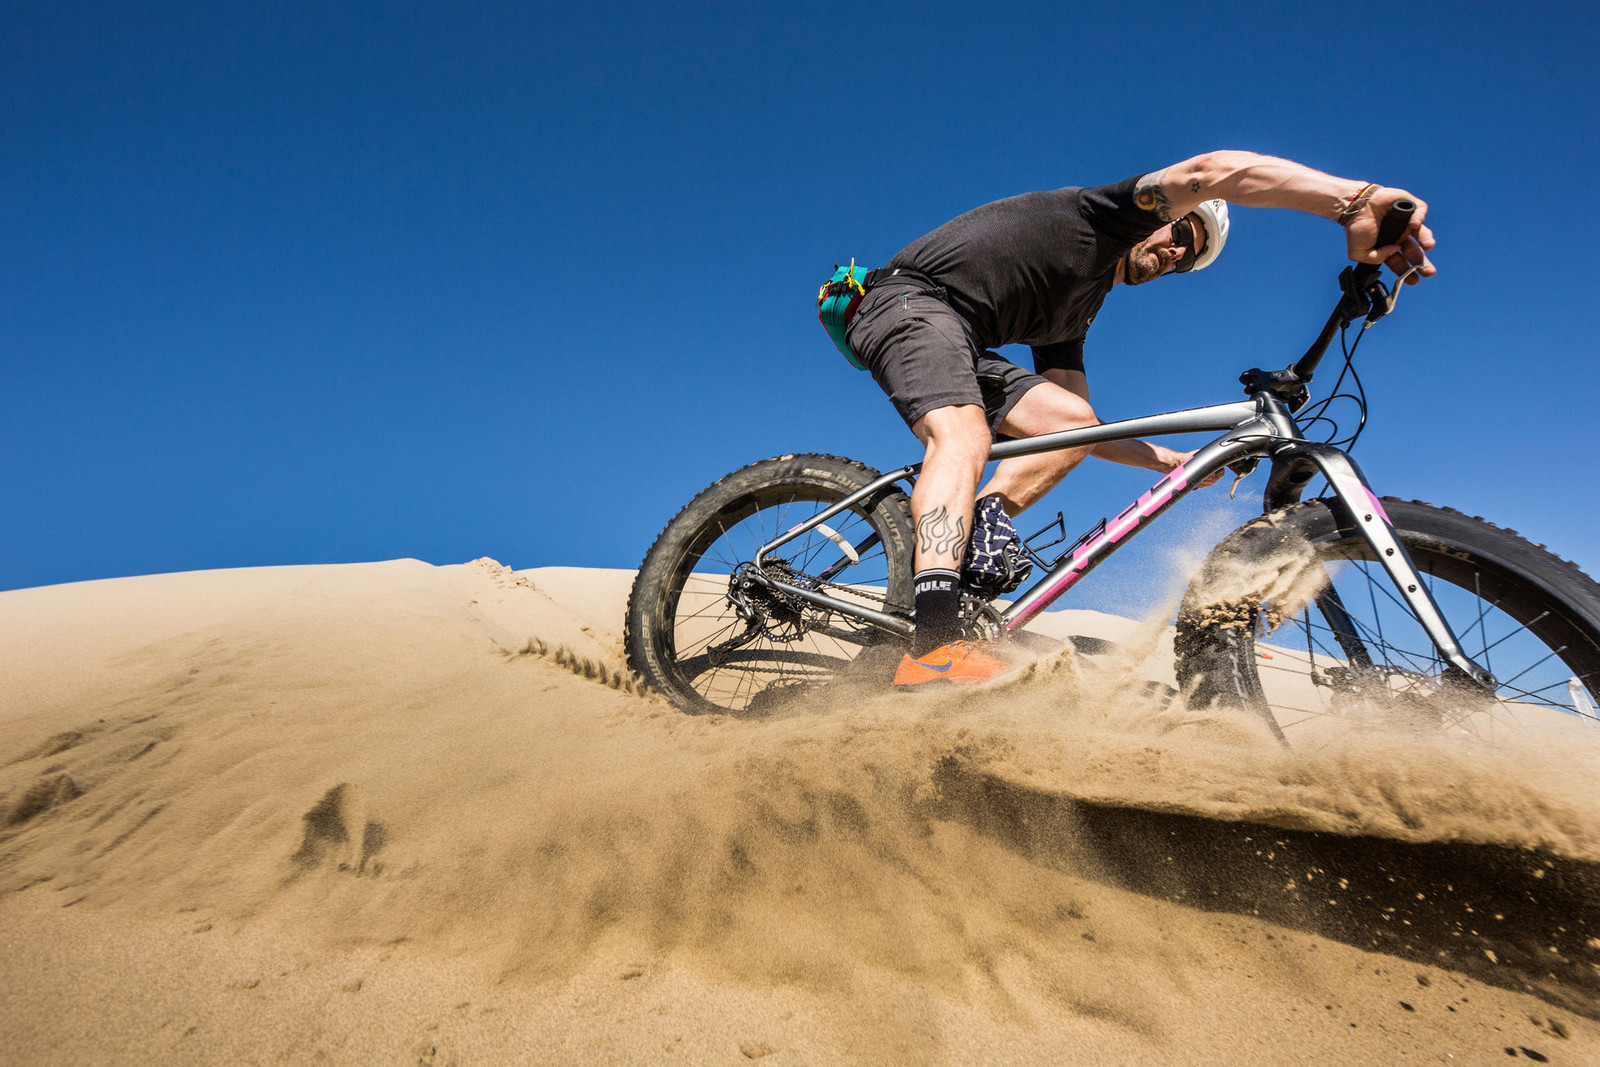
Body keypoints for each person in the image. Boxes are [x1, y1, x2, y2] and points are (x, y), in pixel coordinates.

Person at [841, 150, 1436, 686]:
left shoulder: (1078, 312)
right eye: (1182, 232)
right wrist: (1353, 201)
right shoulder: (1101, 220)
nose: (1175, 252)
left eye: (1187, 258)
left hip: (964, 341)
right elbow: (1208, 173)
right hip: (905, 301)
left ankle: (977, 523)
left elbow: (1086, 430)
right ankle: (935, 642)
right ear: (1159, 216)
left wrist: (1177, 462)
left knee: (1071, 419)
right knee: (964, 432)